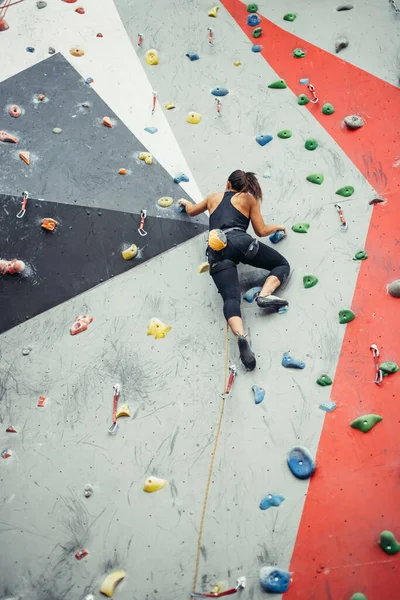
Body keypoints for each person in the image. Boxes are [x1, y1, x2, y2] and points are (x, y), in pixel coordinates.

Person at [178, 170, 290, 371]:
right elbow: (261, 231)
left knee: (231, 299)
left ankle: (241, 336)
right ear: (245, 186)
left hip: (216, 249)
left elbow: (192, 211)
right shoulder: (248, 199)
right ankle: (265, 294)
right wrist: (277, 226)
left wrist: (186, 204)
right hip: (240, 242)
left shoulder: (213, 197)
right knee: (281, 265)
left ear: (228, 183)